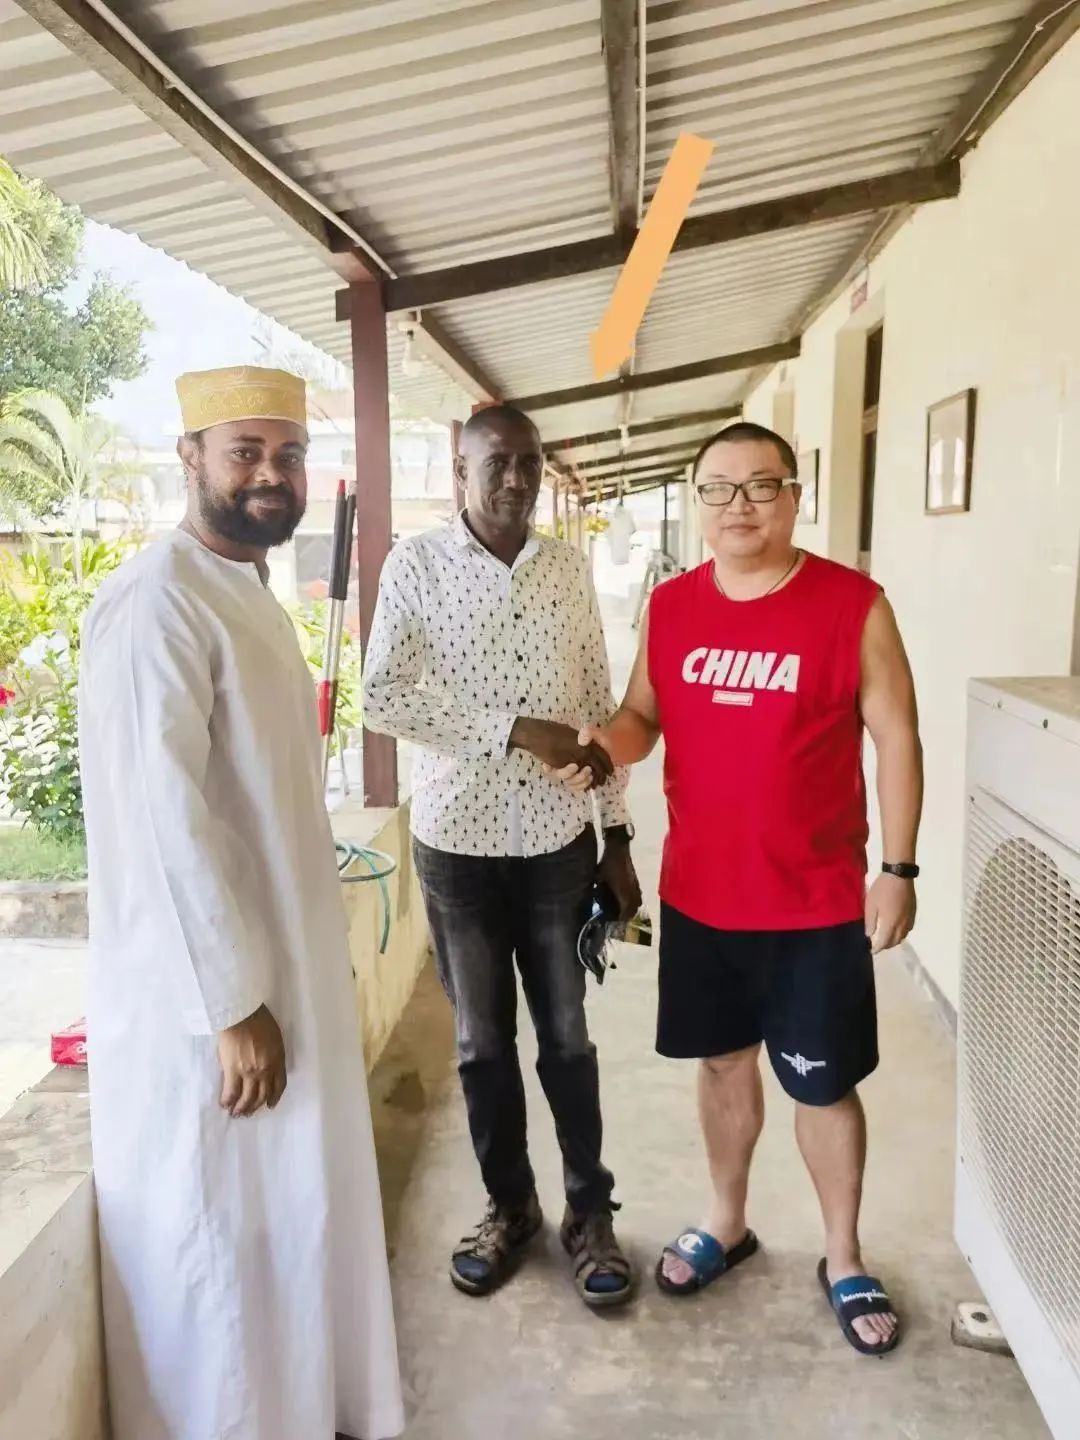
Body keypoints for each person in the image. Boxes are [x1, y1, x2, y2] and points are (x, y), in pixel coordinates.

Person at [79, 366, 403, 1440]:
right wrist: (227, 1002)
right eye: (245, 453)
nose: (272, 474)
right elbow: (159, 820)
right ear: (190, 459)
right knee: (214, 1242)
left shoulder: (245, 588)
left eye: (289, 455)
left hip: (281, 970)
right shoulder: (157, 601)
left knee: (287, 1229)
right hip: (209, 1008)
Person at [556, 420, 923, 1354]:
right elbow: (642, 717)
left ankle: (843, 1255)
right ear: (699, 502)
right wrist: (601, 746)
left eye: (761, 486)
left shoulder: (853, 605)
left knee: (823, 1085)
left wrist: (898, 869)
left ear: (794, 497)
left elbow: (896, 737)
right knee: (723, 1065)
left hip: (816, 902)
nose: (739, 506)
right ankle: (728, 1220)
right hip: (704, 897)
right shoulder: (673, 606)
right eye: (718, 488)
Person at [363, 404, 641, 1308]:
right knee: (483, 1043)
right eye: (497, 463)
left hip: (558, 846)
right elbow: (381, 697)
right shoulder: (416, 565)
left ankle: (588, 1212)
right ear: (460, 471)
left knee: (567, 1038)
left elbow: (595, 705)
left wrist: (617, 834)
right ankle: (509, 1205)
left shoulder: (566, 569)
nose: (517, 479)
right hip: (459, 849)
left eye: (530, 462)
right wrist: (514, 729)